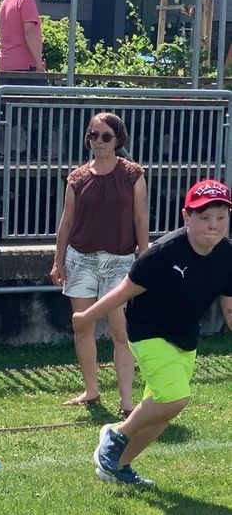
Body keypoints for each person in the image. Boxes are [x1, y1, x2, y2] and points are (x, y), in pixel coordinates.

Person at [74, 179, 232, 486]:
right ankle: (115, 435)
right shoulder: (164, 252)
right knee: (175, 398)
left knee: (161, 411)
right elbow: (123, 291)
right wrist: (86, 316)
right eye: (204, 217)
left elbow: (229, 308)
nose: (213, 225)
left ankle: (117, 467)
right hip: (148, 332)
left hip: (184, 337)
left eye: (221, 217)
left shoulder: (228, 256)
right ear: (187, 217)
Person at [51, 113, 149, 416]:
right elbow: (67, 222)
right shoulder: (77, 177)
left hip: (121, 262)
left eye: (105, 136)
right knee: (82, 326)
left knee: (120, 332)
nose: (98, 142)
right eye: (93, 136)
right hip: (80, 259)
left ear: (118, 139)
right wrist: (58, 261)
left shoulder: (133, 173)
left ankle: (126, 402)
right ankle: (91, 391)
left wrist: (144, 260)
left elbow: (140, 219)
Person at [0, 0, 46, 83]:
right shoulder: (26, 0)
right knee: (42, 100)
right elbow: (29, 33)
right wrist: (39, 63)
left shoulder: (5, 1)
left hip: (5, 65)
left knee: (6, 100)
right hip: (25, 66)